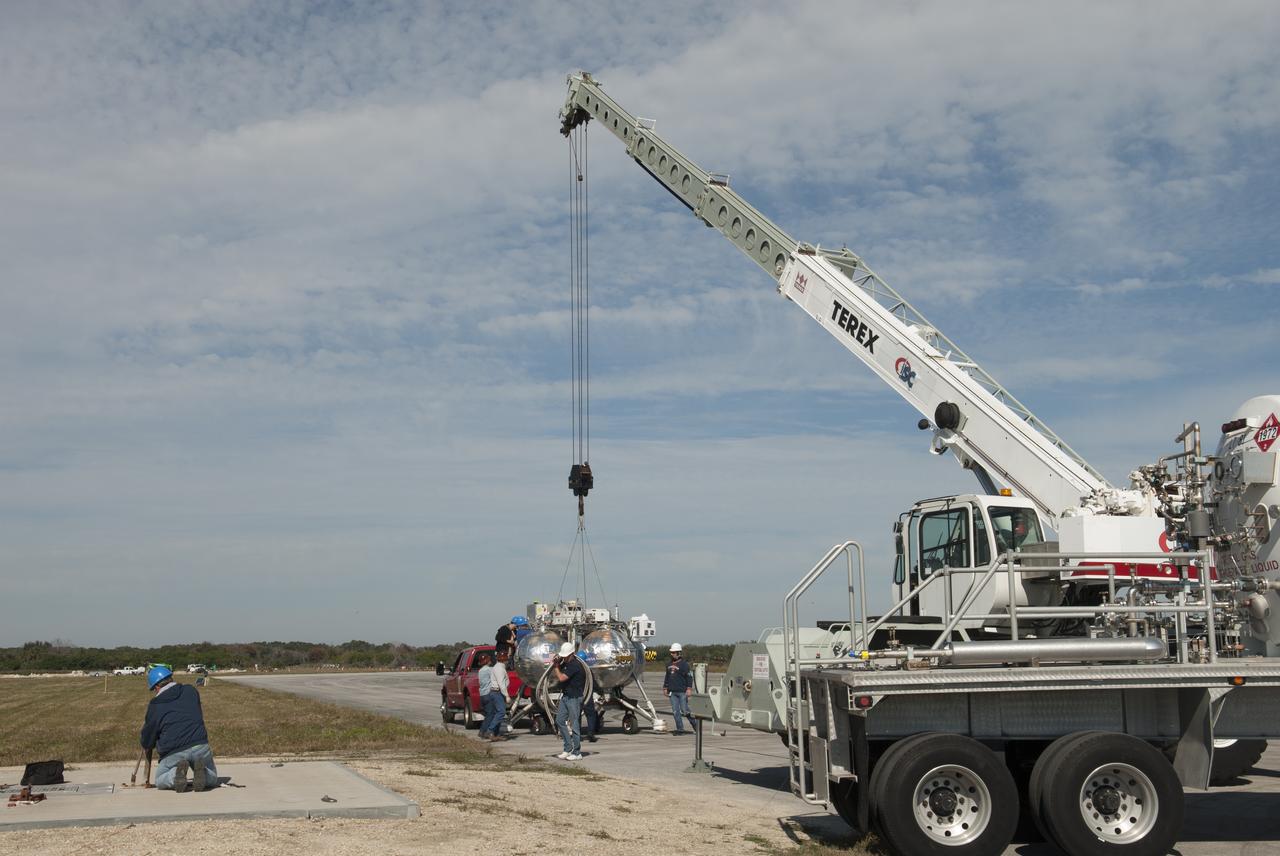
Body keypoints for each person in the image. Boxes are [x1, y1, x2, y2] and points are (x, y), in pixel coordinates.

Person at [140, 664, 218, 792]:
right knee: (213, 777)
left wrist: (146, 742)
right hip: (200, 745)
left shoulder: (155, 705)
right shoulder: (191, 691)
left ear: (157, 687)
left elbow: (148, 739)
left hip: (174, 751)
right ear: (170, 678)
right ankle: (203, 773)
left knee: (160, 780)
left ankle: (175, 775)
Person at [552, 642, 586, 760]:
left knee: (574, 724)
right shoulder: (565, 664)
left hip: (574, 698)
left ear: (572, 654)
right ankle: (567, 748)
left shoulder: (575, 665)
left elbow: (561, 678)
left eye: (566, 655)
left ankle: (577, 752)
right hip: (566, 696)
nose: (564, 657)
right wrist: (558, 663)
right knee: (560, 720)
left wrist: (556, 666)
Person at [663, 643, 692, 735]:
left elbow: (689, 677)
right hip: (672, 692)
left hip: (682, 692)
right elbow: (667, 676)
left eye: (674, 652)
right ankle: (680, 729)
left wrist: (689, 688)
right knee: (675, 712)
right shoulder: (668, 664)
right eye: (671, 652)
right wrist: (665, 687)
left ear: (679, 653)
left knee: (685, 710)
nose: (672, 654)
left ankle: (696, 725)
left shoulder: (684, 665)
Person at [487, 650, 513, 739]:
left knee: (497, 713)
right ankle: (490, 730)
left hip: (496, 692)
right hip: (497, 692)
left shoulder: (499, 667)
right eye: (507, 658)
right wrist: (507, 695)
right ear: (505, 659)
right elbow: (501, 683)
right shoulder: (499, 668)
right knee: (501, 712)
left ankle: (496, 734)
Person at [476, 652, 501, 740]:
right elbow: (497, 672)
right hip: (488, 694)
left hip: (482, 695)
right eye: (489, 659)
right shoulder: (488, 670)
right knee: (491, 714)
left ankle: (486, 731)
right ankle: (483, 731)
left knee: (488, 714)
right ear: (486, 661)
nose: (491, 661)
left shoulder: (480, 671)